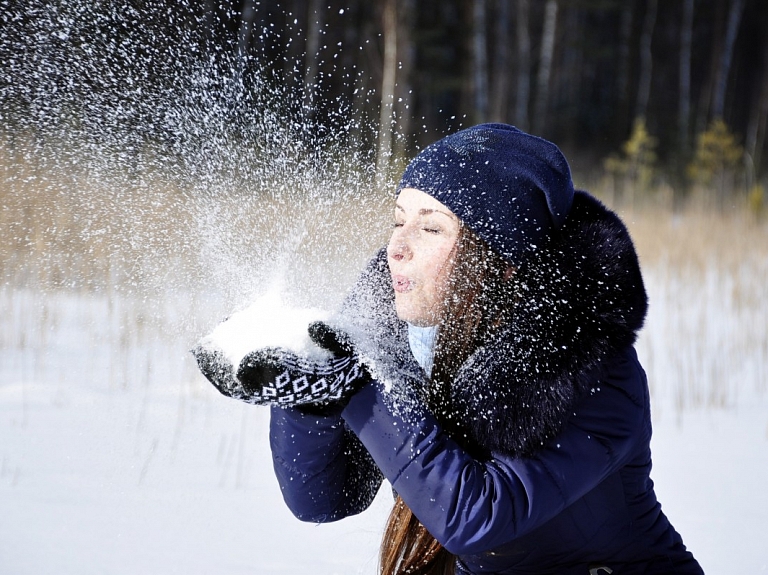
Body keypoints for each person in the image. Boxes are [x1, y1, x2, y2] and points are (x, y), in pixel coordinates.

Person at [195, 123, 704, 574]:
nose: (398, 245)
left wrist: (356, 389)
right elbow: (322, 499)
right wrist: (312, 394)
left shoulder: (589, 372)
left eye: (431, 226)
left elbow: (476, 516)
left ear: (503, 259)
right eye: (399, 219)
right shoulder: (404, 340)